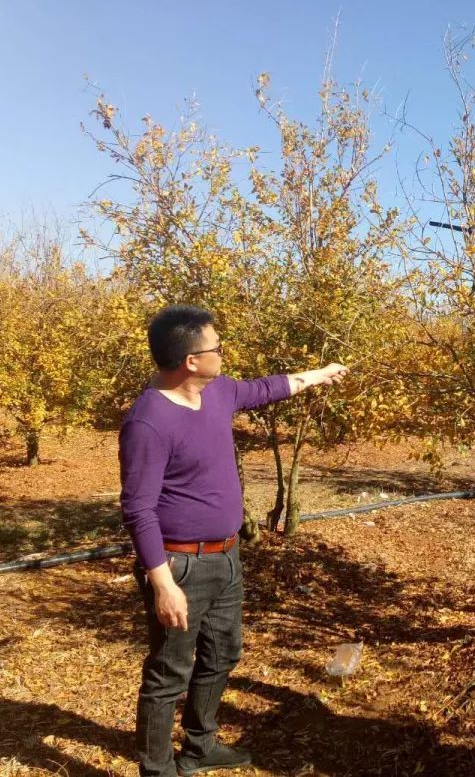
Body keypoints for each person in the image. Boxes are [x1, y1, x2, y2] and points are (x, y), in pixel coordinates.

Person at [120, 305, 349, 776]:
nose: (223, 354)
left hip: (226, 556)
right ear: (190, 360)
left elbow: (266, 388)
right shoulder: (148, 422)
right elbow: (138, 509)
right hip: (179, 565)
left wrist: (320, 374)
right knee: (168, 676)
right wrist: (163, 583)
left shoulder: (218, 391)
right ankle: (157, 770)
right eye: (217, 348)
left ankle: (199, 748)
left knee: (223, 654)